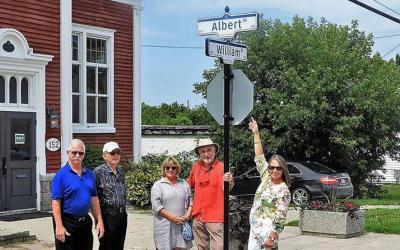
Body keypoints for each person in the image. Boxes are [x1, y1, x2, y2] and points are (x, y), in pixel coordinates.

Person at [51, 139, 104, 250]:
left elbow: (94, 199)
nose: (77, 155)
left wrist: (99, 221)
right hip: (67, 222)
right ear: (68, 153)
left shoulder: (89, 174)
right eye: (74, 152)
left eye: (81, 153)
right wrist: (59, 226)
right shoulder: (61, 175)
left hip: (85, 222)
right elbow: (56, 202)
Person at [248, 118, 291, 250]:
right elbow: (260, 157)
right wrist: (256, 133)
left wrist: (272, 238)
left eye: (278, 168)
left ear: (283, 170)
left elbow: (280, 218)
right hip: (255, 233)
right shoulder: (266, 178)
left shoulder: (284, 191)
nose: (274, 170)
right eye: (272, 167)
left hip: (267, 236)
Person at [187, 138, 234, 250]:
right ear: (199, 153)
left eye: (209, 150)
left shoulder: (222, 167)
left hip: (215, 217)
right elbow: (188, 186)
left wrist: (229, 181)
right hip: (198, 216)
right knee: (201, 247)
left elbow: (228, 188)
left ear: (215, 151)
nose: (206, 154)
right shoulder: (196, 166)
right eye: (203, 151)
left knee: (219, 247)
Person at [151, 157, 193, 250]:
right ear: (164, 169)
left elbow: (190, 201)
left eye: (173, 168)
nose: (170, 169)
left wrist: (187, 215)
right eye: (167, 167)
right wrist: (173, 218)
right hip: (165, 226)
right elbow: (156, 206)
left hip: (182, 225)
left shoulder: (184, 184)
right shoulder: (158, 185)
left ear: (177, 169)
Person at [93, 142, 127, 250]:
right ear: (104, 156)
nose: (116, 155)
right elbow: (94, 198)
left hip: (122, 215)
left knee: (119, 246)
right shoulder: (98, 172)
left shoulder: (120, 171)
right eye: (113, 153)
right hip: (107, 215)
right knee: (106, 246)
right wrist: (98, 220)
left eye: (118, 152)